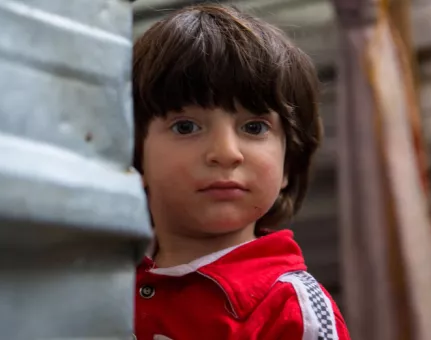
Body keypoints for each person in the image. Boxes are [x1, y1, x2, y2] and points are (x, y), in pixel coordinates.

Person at [132, 4, 349, 340]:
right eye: (186, 126)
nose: (226, 153)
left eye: (254, 127)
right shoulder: (102, 280)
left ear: (288, 165)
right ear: (136, 155)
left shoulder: (294, 310)